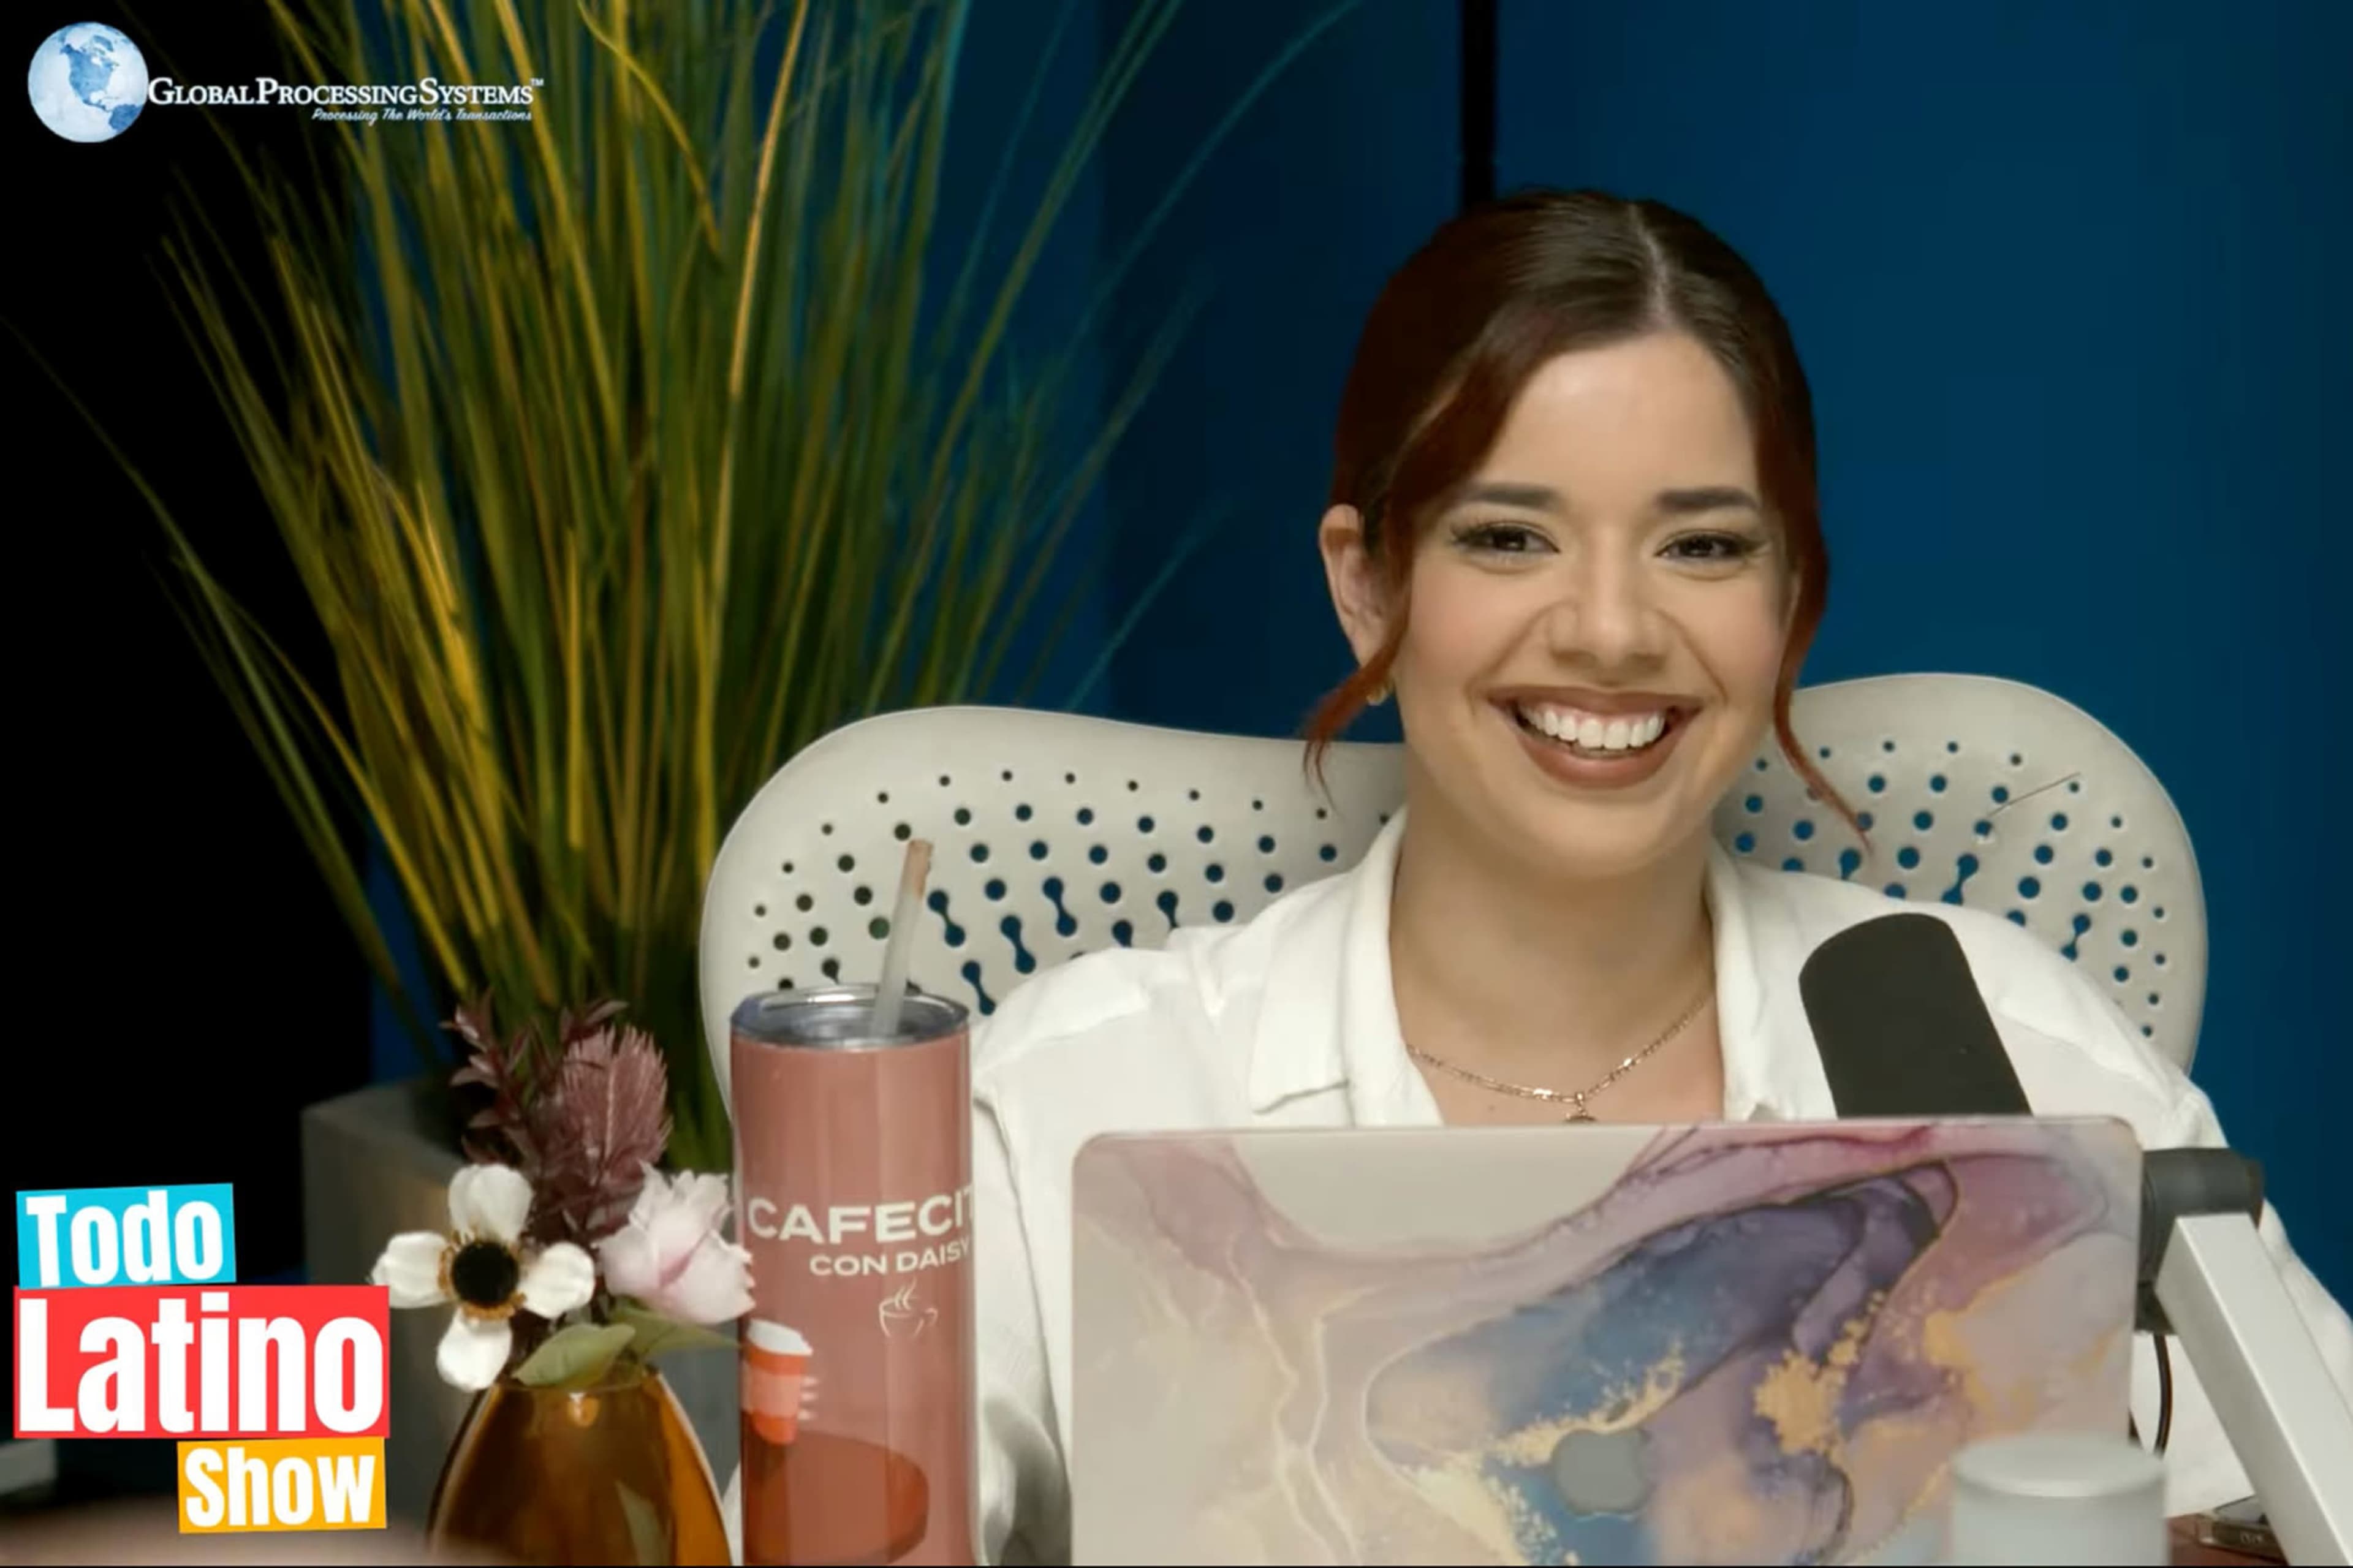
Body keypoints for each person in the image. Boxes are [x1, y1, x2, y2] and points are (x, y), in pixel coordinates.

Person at [960, 188, 2353, 1565]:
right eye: (1508, 535)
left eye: (1703, 545)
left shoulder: (2023, 1058)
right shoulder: (1074, 1096)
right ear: (1369, 585)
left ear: (1791, 602)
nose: (1613, 629)